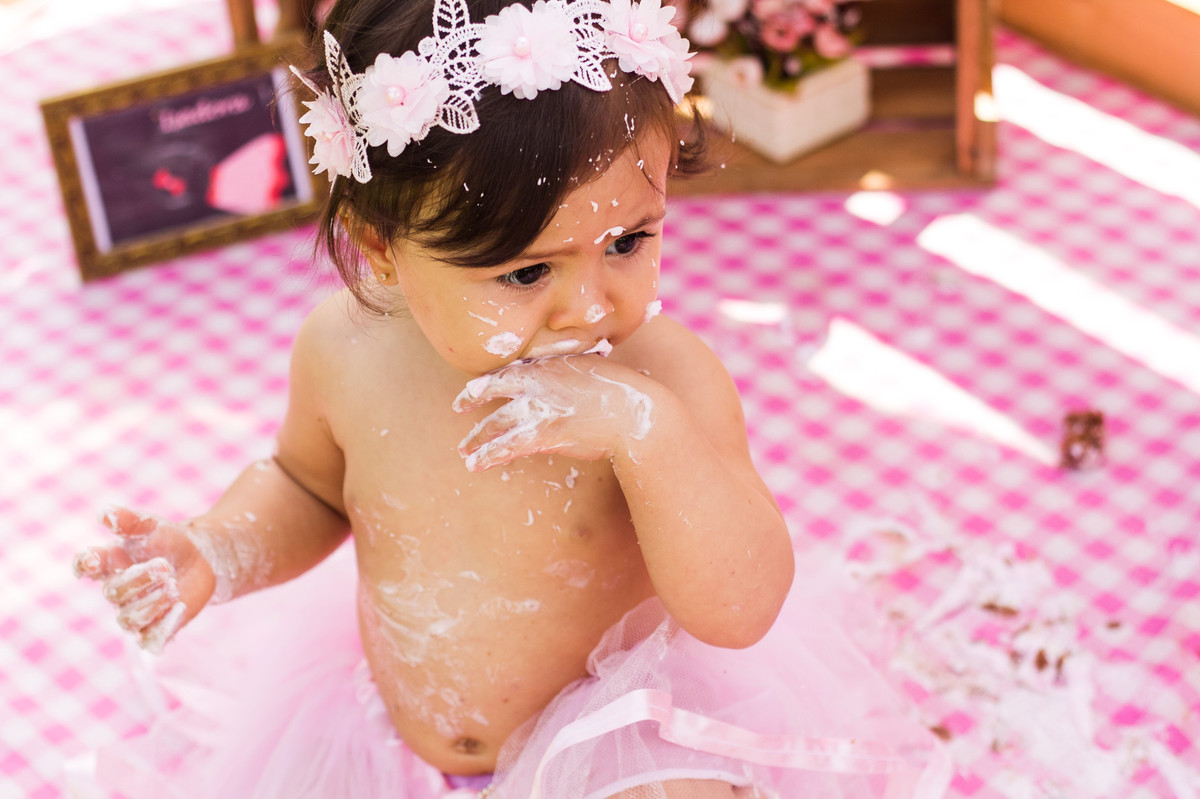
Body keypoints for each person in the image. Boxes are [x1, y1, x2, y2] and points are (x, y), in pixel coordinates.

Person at [71, 0, 951, 796]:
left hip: (613, 740)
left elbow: (741, 608)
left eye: (628, 241)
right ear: (379, 247)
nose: (592, 304)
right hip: (396, 722)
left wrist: (650, 438)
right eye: (526, 269)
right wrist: (217, 549)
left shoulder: (664, 380)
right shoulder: (345, 348)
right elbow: (306, 486)